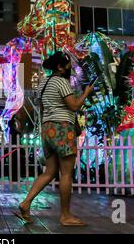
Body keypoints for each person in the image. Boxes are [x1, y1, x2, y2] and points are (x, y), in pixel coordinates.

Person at [13, 51, 94, 226]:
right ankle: (65, 216)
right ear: (59, 67)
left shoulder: (42, 83)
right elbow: (73, 105)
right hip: (62, 129)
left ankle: (26, 203)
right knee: (66, 173)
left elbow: (43, 108)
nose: (69, 70)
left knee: (49, 172)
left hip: (47, 128)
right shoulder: (62, 82)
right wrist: (86, 93)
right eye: (67, 66)